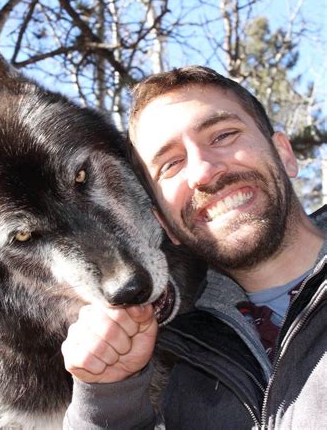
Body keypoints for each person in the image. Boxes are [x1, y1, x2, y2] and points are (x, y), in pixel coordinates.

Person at [61, 66, 326, 429]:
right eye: (170, 164)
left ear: (284, 154)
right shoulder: (178, 357)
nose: (202, 172)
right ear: (164, 222)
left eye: (223, 135)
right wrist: (108, 400)